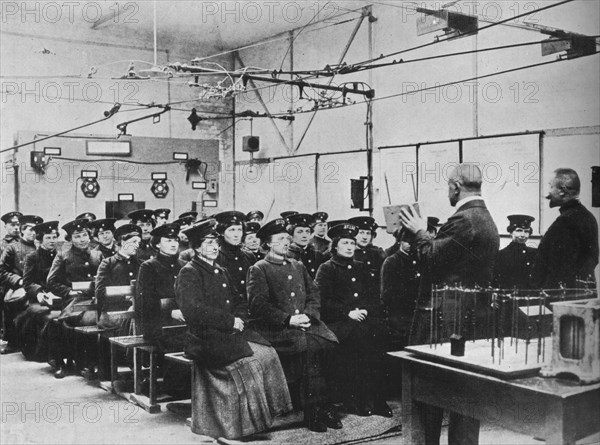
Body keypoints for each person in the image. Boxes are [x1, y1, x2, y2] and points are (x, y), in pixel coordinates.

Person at [400, 163, 499, 445]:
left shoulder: (463, 220)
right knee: (465, 401)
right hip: (469, 319)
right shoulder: (485, 218)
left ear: (455, 185)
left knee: (427, 394)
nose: (448, 191)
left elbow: (431, 258)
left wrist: (420, 231)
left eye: (448, 186)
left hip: (443, 321)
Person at [175, 219, 292, 440]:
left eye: (215, 243)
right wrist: (229, 322)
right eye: (208, 244)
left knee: (269, 354)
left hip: (229, 333)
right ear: (197, 248)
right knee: (250, 364)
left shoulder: (220, 270)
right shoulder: (189, 272)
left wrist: (239, 318)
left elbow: (239, 300)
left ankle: (271, 415)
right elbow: (193, 311)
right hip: (205, 338)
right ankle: (244, 426)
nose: (214, 248)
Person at [247, 218, 341, 433]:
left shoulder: (297, 265)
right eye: (280, 239)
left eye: (287, 239)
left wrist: (309, 315)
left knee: (330, 343)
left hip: (305, 323)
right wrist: (288, 319)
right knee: (309, 349)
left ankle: (324, 405)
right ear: (268, 243)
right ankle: (314, 411)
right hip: (278, 328)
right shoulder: (259, 268)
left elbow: (314, 293)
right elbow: (258, 305)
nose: (286, 243)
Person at [315, 222, 392, 418]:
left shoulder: (361, 267)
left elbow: (375, 296)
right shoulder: (327, 269)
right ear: (335, 246)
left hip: (364, 319)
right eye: (345, 243)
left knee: (381, 336)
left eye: (352, 243)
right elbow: (322, 301)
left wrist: (366, 309)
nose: (350, 247)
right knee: (358, 342)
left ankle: (377, 398)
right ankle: (355, 399)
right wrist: (347, 313)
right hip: (338, 322)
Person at [46, 218, 103, 378]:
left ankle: (91, 362)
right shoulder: (63, 255)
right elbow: (51, 282)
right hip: (73, 300)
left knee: (97, 319)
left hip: (94, 298)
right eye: (77, 236)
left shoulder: (97, 254)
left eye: (84, 235)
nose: (82, 239)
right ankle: (69, 361)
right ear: (70, 239)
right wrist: (68, 292)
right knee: (77, 321)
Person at [533, 168, 599, 288]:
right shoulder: (587, 216)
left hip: (560, 300)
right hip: (578, 297)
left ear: (562, 191)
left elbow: (560, 271)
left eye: (550, 186)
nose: (547, 194)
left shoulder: (566, 221)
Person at [0, 214, 43, 354]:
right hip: (18, 286)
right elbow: (2, 270)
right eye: (29, 229)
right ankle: (14, 340)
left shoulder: (41, 247)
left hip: (40, 287)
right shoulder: (12, 248)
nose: (33, 233)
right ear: (22, 230)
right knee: (17, 302)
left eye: (36, 230)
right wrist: (17, 280)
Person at [18, 220, 61, 361]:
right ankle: (43, 353)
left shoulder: (61, 256)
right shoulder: (33, 257)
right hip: (39, 298)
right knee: (45, 315)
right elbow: (28, 282)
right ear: (41, 239)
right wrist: (39, 293)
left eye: (54, 237)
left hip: (58, 296)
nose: (52, 241)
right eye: (48, 238)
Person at [214, 211, 256, 300]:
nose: (236, 235)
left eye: (239, 230)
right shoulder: (216, 257)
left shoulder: (249, 256)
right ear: (222, 232)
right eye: (232, 230)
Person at [494, 215, 537, 289]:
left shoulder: (534, 253)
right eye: (519, 231)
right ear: (510, 232)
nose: (523, 235)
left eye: (526, 231)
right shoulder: (502, 255)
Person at [285, 213, 326, 279]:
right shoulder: (285, 255)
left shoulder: (318, 255)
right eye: (300, 232)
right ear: (291, 235)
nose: (304, 236)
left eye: (307, 231)